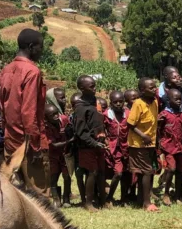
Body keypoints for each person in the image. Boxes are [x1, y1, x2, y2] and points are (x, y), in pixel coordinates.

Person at [0, 29, 49, 195]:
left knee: (13, 192)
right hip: (28, 143)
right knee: (39, 194)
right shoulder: (32, 72)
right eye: (40, 47)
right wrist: (35, 145)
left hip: (10, 140)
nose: (41, 51)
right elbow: (29, 111)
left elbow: (3, 107)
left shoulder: (5, 70)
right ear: (31, 46)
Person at [73, 76, 107, 212]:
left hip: (98, 143)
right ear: (82, 88)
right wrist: (93, 143)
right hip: (87, 146)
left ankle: (101, 200)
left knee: (99, 172)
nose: (95, 88)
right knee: (91, 172)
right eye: (91, 86)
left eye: (95, 85)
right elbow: (80, 132)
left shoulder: (93, 102)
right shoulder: (81, 108)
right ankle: (88, 203)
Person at [127, 78, 159, 212]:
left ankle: (141, 199)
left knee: (145, 172)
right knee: (146, 171)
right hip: (139, 143)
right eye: (150, 88)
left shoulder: (155, 102)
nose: (154, 89)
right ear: (142, 90)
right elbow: (130, 124)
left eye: (154, 87)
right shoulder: (138, 104)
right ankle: (147, 203)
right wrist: (143, 135)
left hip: (151, 143)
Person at [157, 89, 182, 206]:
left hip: (180, 146)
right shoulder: (164, 114)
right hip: (169, 146)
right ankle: (166, 193)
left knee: (181, 171)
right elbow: (158, 129)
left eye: (180, 99)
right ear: (168, 100)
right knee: (171, 168)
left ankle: (178, 195)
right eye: (176, 99)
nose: (179, 101)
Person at [104, 91, 131, 205]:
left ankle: (124, 198)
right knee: (118, 173)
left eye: (121, 101)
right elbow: (102, 128)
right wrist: (106, 142)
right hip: (114, 148)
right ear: (111, 103)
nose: (118, 104)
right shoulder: (107, 115)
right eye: (115, 102)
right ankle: (109, 197)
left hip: (127, 147)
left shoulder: (128, 113)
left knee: (127, 174)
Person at [45, 104, 72, 207]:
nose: (56, 116)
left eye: (57, 113)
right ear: (46, 118)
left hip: (64, 154)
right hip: (53, 155)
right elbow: (54, 145)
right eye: (52, 115)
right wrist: (70, 141)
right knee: (54, 177)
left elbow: (70, 129)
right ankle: (56, 199)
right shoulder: (46, 127)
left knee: (67, 176)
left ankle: (66, 198)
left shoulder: (64, 119)